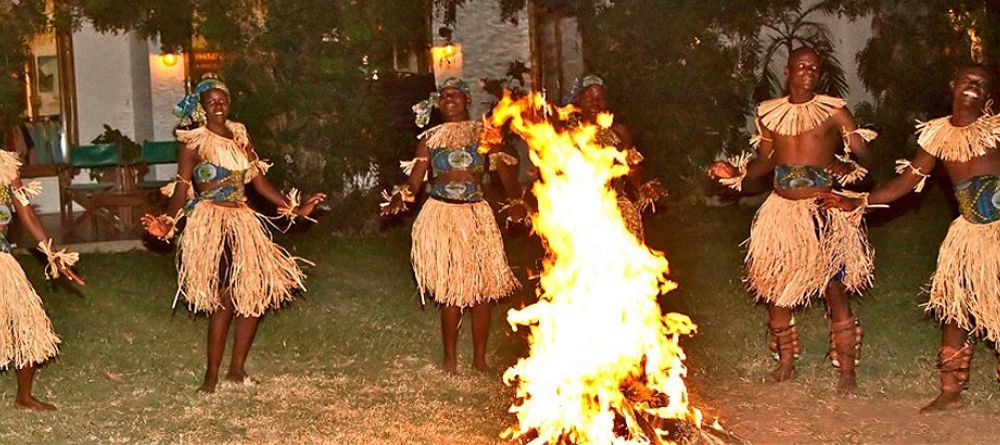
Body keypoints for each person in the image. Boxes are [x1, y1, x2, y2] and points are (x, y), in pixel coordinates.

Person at [819, 65, 1000, 411]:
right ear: (953, 84)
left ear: (989, 99)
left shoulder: (996, 130)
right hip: (967, 236)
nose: (972, 88)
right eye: (967, 81)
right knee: (955, 310)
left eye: (981, 85)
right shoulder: (937, 137)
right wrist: (858, 201)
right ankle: (950, 391)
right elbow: (903, 184)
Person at [708, 47, 876, 393]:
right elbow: (764, 162)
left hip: (822, 209)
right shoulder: (770, 114)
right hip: (782, 212)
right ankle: (786, 362)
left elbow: (865, 156)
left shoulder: (834, 111)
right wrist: (736, 173)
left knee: (835, 286)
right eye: (801, 66)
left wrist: (849, 168)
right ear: (788, 71)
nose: (808, 72)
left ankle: (846, 370)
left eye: (814, 68)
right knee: (777, 286)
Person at [141, 78, 325, 393]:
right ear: (201, 106)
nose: (218, 105)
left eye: (222, 99)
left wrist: (293, 209)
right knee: (225, 298)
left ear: (229, 102)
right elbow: (183, 187)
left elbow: (258, 182)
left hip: (243, 220)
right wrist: (169, 221)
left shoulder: (240, 135)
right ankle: (211, 375)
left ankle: (236, 370)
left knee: (252, 296)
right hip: (212, 221)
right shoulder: (193, 142)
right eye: (210, 101)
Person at [382, 77, 524, 373]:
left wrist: (516, 201)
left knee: (481, 289)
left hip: (476, 215)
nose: (449, 99)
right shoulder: (430, 138)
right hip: (443, 214)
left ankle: (480, 359)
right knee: (452, 289)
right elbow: (415, 180)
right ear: (438, 101)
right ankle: (450, 359)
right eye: (444, 95)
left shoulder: (484, 134)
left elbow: (506, 175)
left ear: (467, 100)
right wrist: (401, 196)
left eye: (455, 94)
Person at [0, 150, 84, 410]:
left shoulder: (6, 165)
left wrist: (53, 254)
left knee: (28, 323)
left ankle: (24, 396)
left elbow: (27, 214)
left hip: (2, 260)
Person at [568, 75, 668, 240]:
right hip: (578, 203)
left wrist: (643, 187)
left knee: (626, 225)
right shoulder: (565, 134)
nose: (595, 103)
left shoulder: (618, 132)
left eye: (600, 98)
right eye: (589, 97)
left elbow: (632, 167)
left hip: (614, 202)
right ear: (579, 99)